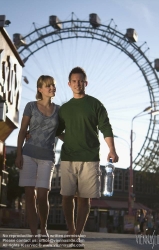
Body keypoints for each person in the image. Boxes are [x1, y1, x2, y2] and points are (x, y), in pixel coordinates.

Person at [56, 67, 119, 248]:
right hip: (68, 158)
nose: (77, 84)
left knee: (85, 198)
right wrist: (70, 139)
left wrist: (112, 150)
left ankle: (76, 235)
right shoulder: (65, 109)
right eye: (74, 81)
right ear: (69, 84)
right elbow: (57, 131)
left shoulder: (95, 104)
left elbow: (106, 127)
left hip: (90, 158)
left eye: (80, 81)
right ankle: (70, 231)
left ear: (86, 83)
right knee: (66, 197)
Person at [15, 75, 59, 245]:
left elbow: (61, 133)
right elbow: (22, 131)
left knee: (42, 195)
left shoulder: (59, 110)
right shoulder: (31, 106)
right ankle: (34, 235)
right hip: (28, 154)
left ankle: (44, 230)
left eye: (53, 85)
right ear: (40, 89)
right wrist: (18, 154)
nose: (52, 88)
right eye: (48, 86)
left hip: (47, 156)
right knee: (29, 195)